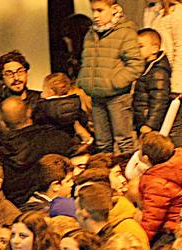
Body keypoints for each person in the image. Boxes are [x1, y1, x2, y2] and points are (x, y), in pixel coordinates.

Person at [77, 0, 143, 155]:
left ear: (113, 9)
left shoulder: (125, 32)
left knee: (124, 140)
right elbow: (86, 60)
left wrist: (115, 82)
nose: (95, 15)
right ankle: (104, 176)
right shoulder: (91, 34)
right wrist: (84, 81)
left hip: (117, 97)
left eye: (100, 10)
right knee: (102, 142)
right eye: (93, 10)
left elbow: (136, 64)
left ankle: (128, 175)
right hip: (97, 95)